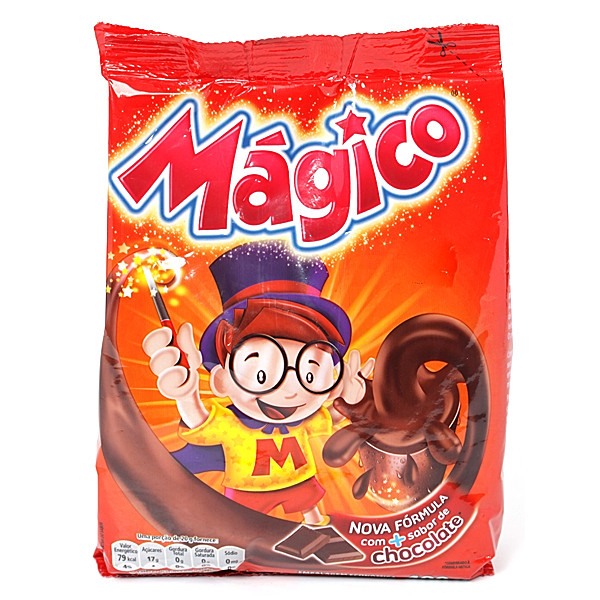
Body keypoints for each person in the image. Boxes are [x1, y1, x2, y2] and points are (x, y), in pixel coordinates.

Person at [143, 241, 373, 525]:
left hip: (299, 480)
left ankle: (314, 524)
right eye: (261, 376)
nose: (289, 391)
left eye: (309, 375)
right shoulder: (232, 425)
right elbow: (198, 420)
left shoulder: (306, 420)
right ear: (221, 380)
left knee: (308, 498)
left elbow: (331, 418)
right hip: (247, 489)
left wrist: (349, 399)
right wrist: (186, 395)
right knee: (241, 520)